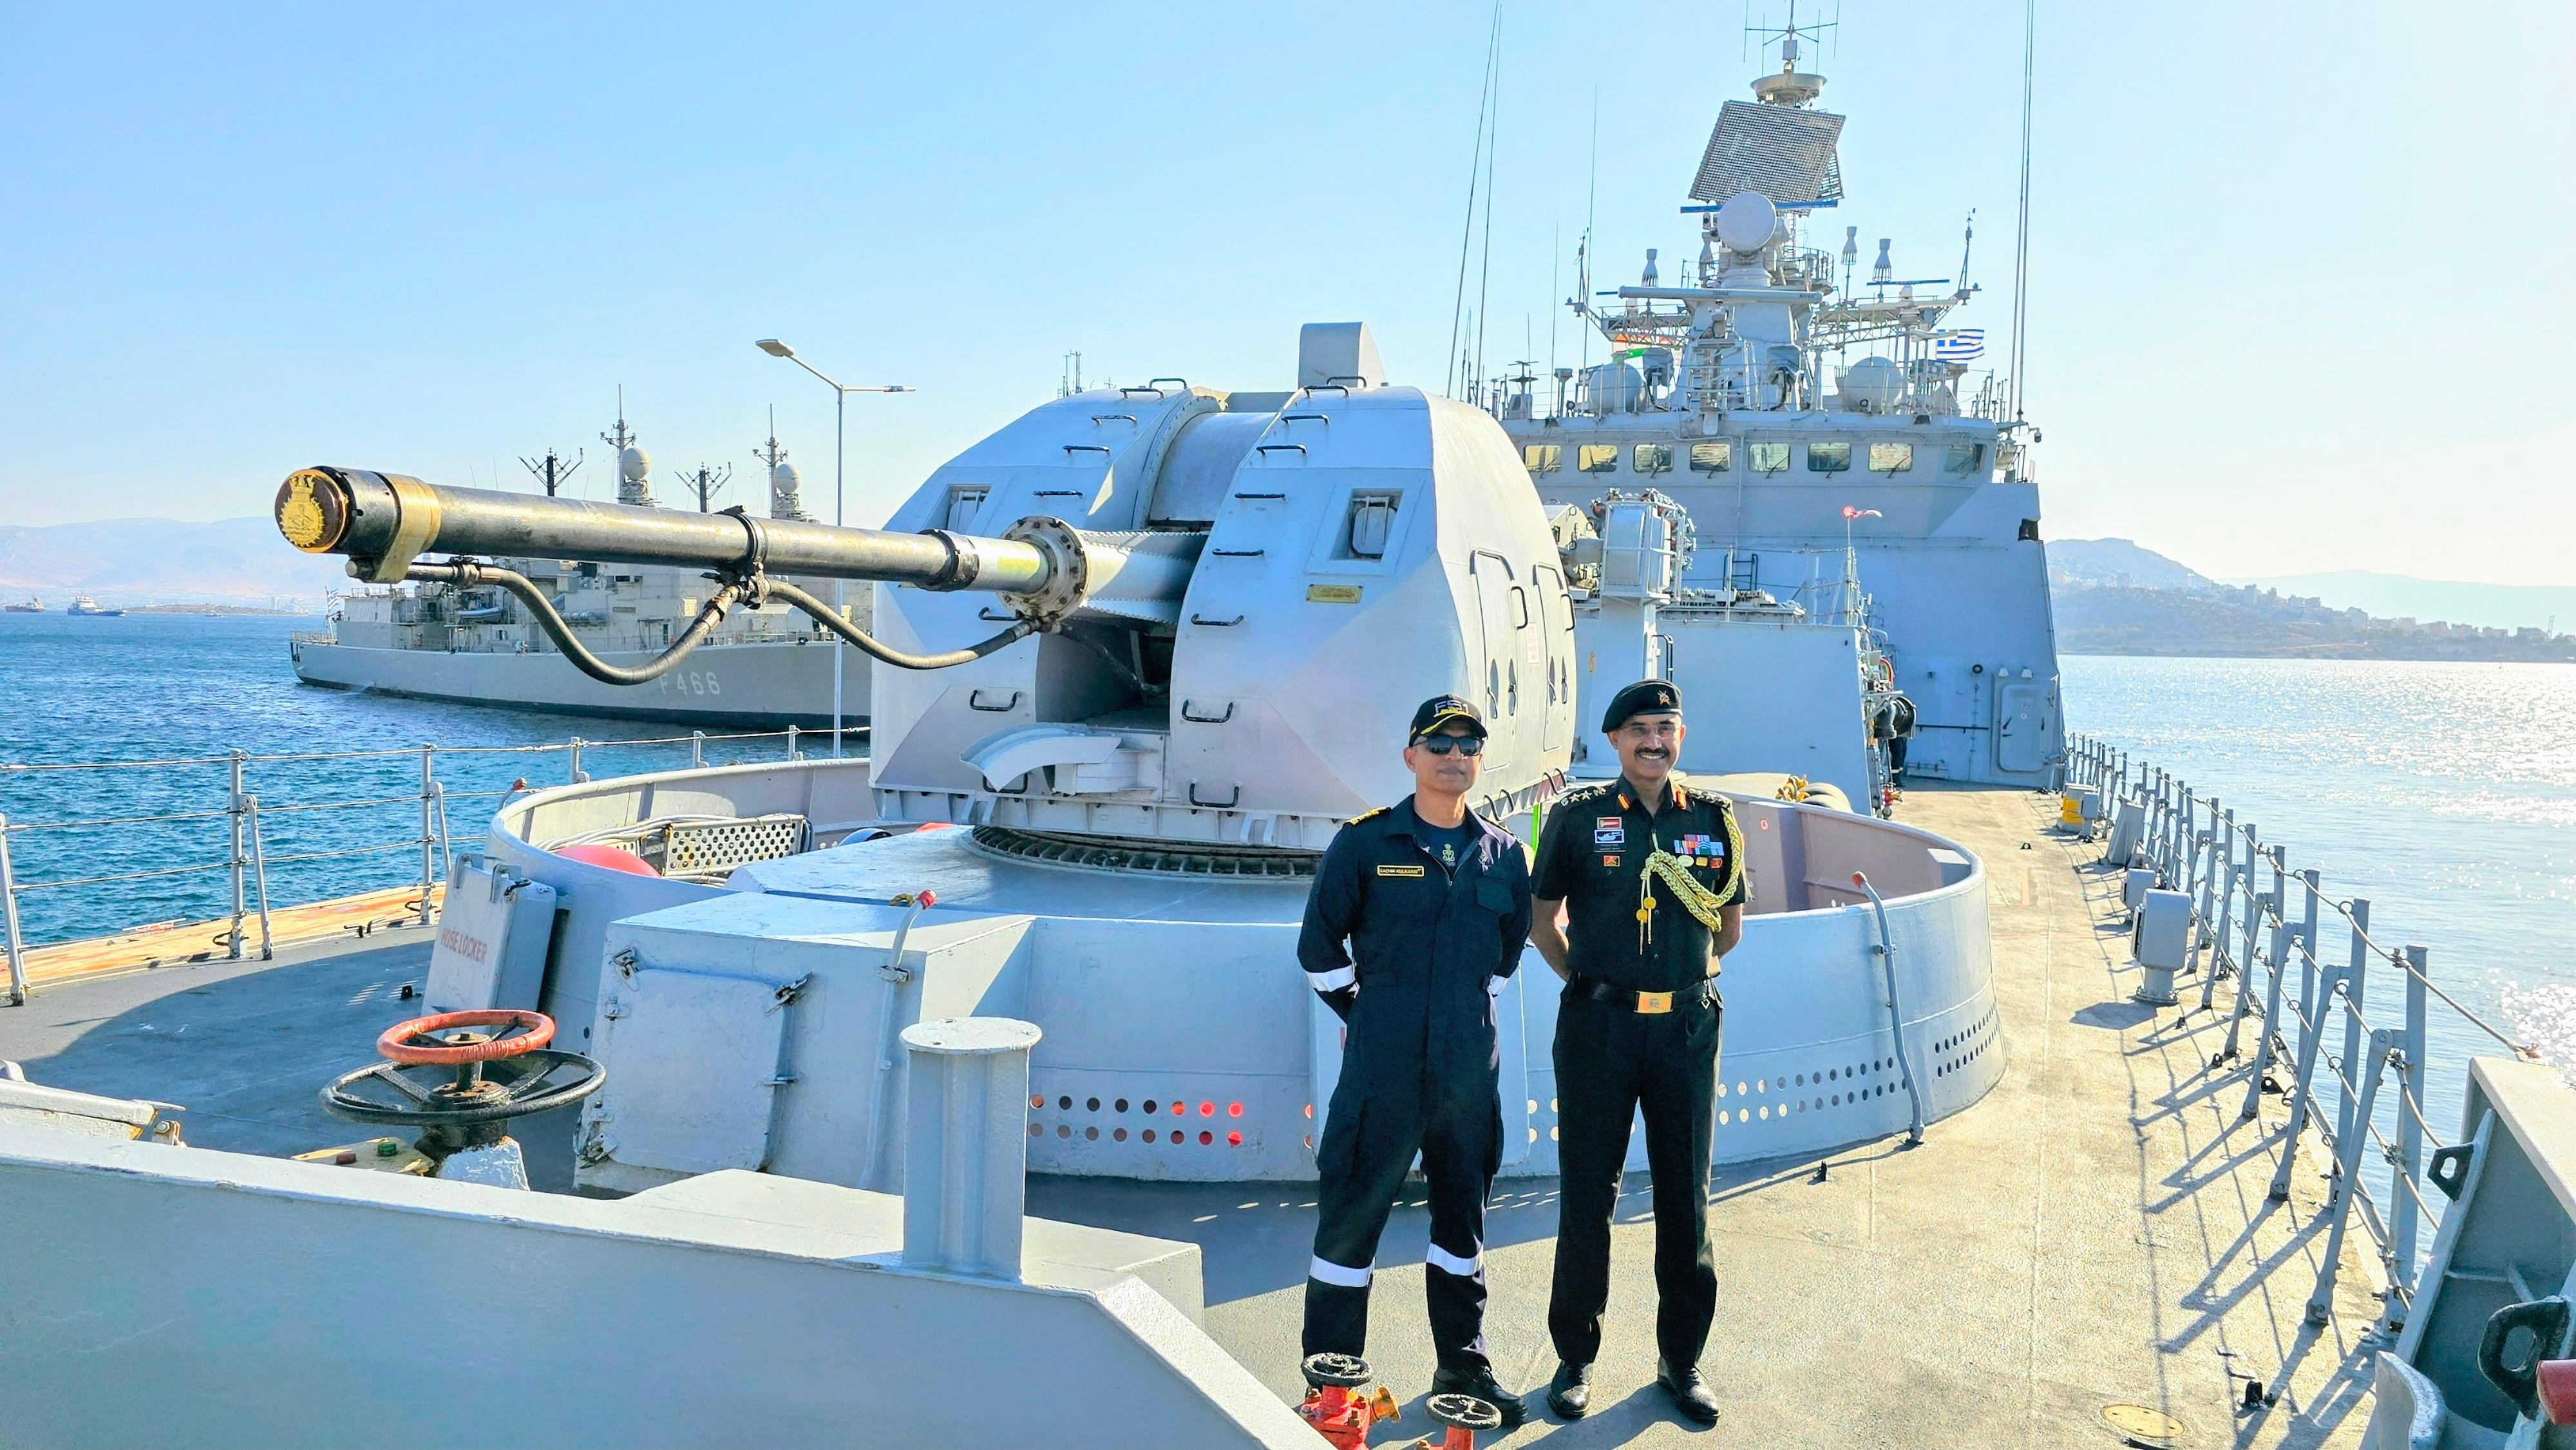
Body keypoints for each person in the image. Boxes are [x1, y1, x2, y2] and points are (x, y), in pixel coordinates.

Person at [1297, 693, 1535, 1424]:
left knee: (1462, 1226)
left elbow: (1504, 955)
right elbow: (1317, 948)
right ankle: (1331, 1386)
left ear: (1478, 758)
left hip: (1467, 1074)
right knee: (1349, 1225)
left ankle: (1463, 1364)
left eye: (1467, 743)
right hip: (1383, 1071)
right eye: (1439, 743)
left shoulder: (1503, 851)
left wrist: (1457, 1017)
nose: (1453, 755)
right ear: (1411, 756)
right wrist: (1369, 1017)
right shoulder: (1365, 843)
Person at [1528, 679, 1745, 1426]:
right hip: (1599, 1029)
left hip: (1685, 1030)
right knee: (1589, 1192)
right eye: (1640, 729)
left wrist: (1669, 986)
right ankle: (1574, 1356)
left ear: (1680, 735)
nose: (1655, 741)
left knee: (1687, 1195)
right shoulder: (1578, 818)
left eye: (1667, 727)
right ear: (1615, 740)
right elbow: (1542, 919)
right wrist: (1594, 984)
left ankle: (1680, 1359)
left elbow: (1728, 928)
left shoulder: (1714, 820)